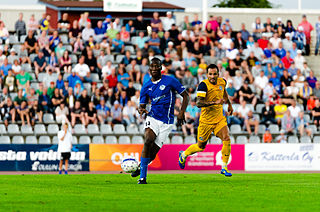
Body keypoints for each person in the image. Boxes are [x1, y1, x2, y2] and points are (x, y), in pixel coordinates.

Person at [132, 57, 188, 184]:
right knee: (148, 140)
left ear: (161, 68)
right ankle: (142, 178)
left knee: (152, 154)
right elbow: (142, 105)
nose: (154, 69)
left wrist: (181, 112)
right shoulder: (146, 86)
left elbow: (185, 95)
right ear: (149, 69)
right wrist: (141, 110)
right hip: (153, 118)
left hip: (167, 122)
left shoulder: (170, 80)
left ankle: (141, 166)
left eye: (157, 66)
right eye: (152, 67)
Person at [179, 64, 233, 177]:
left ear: (218, 74)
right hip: (206, 122)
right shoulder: (203, 85)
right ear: (207, 74)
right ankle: (183, 154)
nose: (212, 76)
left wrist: (229, 104)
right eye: (210, 74)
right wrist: (214, 103)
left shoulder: (222, 82)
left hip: (219, 119)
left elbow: (224, 93)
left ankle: (224, 167)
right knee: (200, 146)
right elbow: (199, 103)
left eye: (214, 74)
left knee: (226, 138)